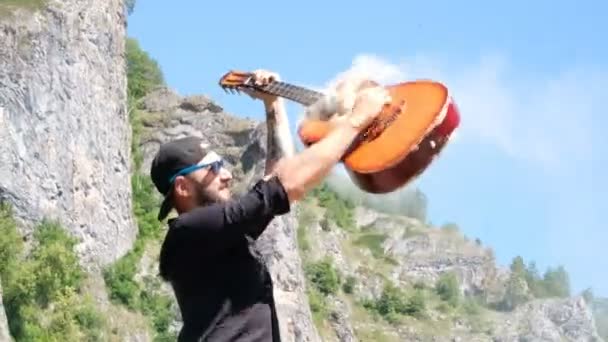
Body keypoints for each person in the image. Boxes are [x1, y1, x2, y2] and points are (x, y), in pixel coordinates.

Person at [149, 69, 390, 341]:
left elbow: (278, 182)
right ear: (182, 187)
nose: (226, 174)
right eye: (212, 168)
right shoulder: (188, 231)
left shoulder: (216, 236)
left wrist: (273, 104)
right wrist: (357, 120)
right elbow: (288, 185)